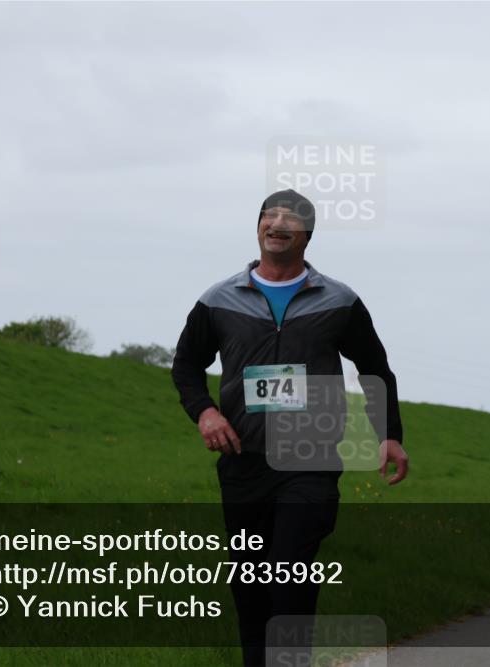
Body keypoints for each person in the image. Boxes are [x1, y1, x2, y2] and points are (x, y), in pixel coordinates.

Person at [170, 188, 408, 666]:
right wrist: (206, 412)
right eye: (268, 216)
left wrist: (389, 435)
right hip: (243, 462)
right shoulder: (218, 299)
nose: (277, 225)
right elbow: (186, 365)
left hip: (310, 460)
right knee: (250, 580)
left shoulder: (338, 300)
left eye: (290, 219)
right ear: (257, 227)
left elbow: (374, 369)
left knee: (290, 573)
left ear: (307, 234)